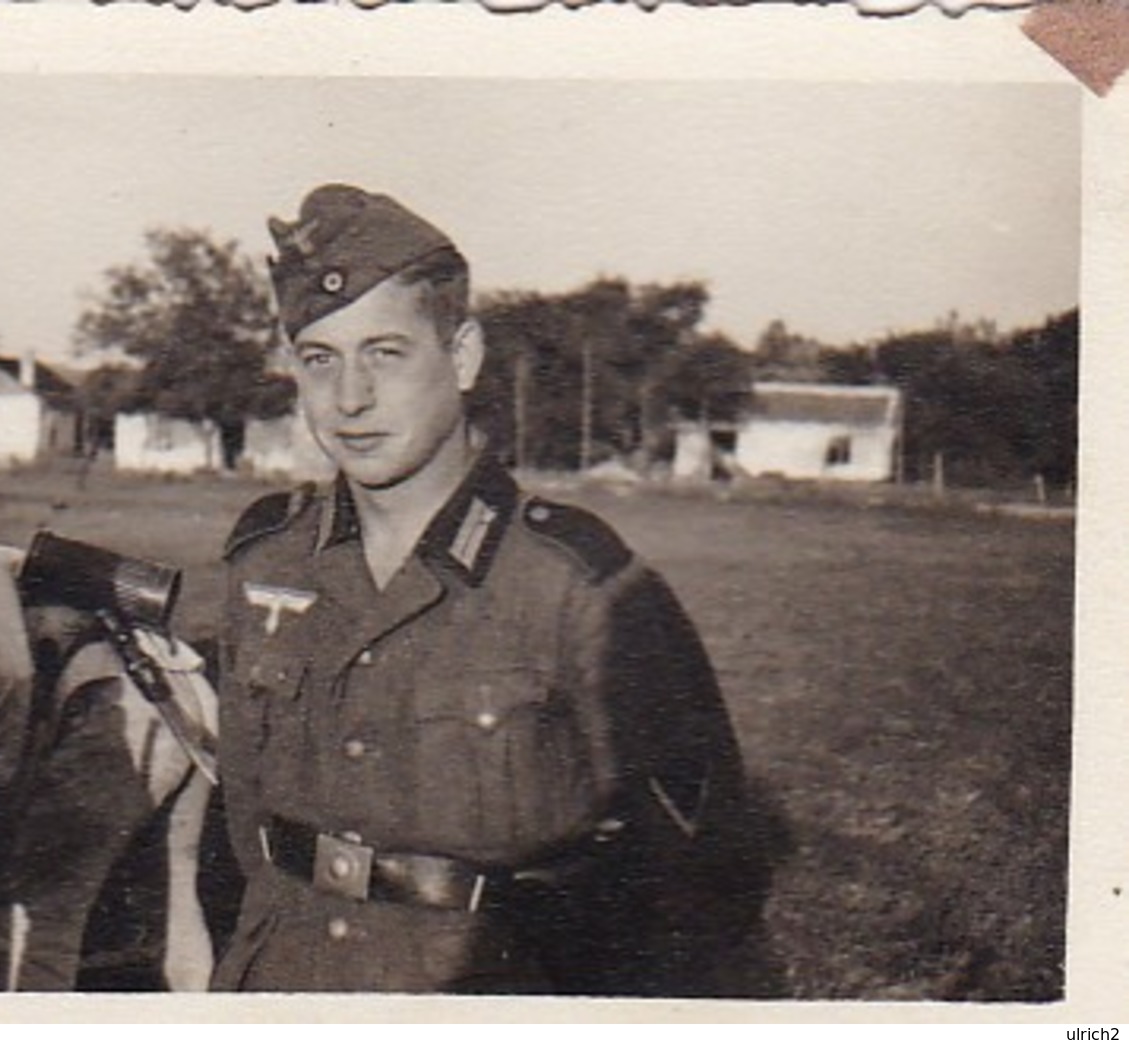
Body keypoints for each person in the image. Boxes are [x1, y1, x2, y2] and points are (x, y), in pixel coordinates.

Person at [212, 185, 773, 994]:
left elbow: (705, 873)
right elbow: (244, 826)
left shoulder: (571, 580)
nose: (349, 398)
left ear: (463, 355)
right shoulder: (268, 560)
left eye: (385, 352)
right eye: (319, 358)